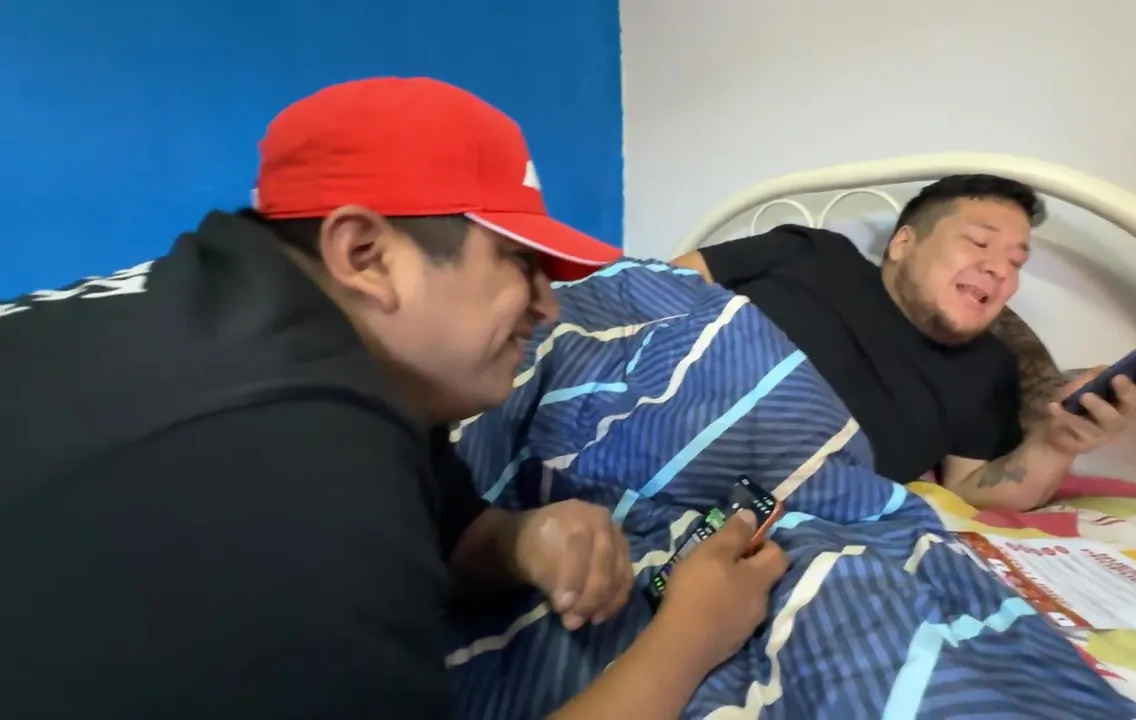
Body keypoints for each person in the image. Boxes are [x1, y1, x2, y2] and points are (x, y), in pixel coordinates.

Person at [0, 77, 788, 719]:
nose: (549, 308)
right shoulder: (304, 493)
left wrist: (525, 539)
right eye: (518, 263)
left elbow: (449, 525)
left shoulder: (245, 302)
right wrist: (690, 634)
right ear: (365, 255)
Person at [672, 175, 1136, 512]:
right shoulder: (810, 254)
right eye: (979, 242)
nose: (999, 268)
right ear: (903, 243)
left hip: (766, 517)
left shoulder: (988, 370)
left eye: (1016, 262)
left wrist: (1057, 444)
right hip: (661, 422)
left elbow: (971, 490)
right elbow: (660, 288)